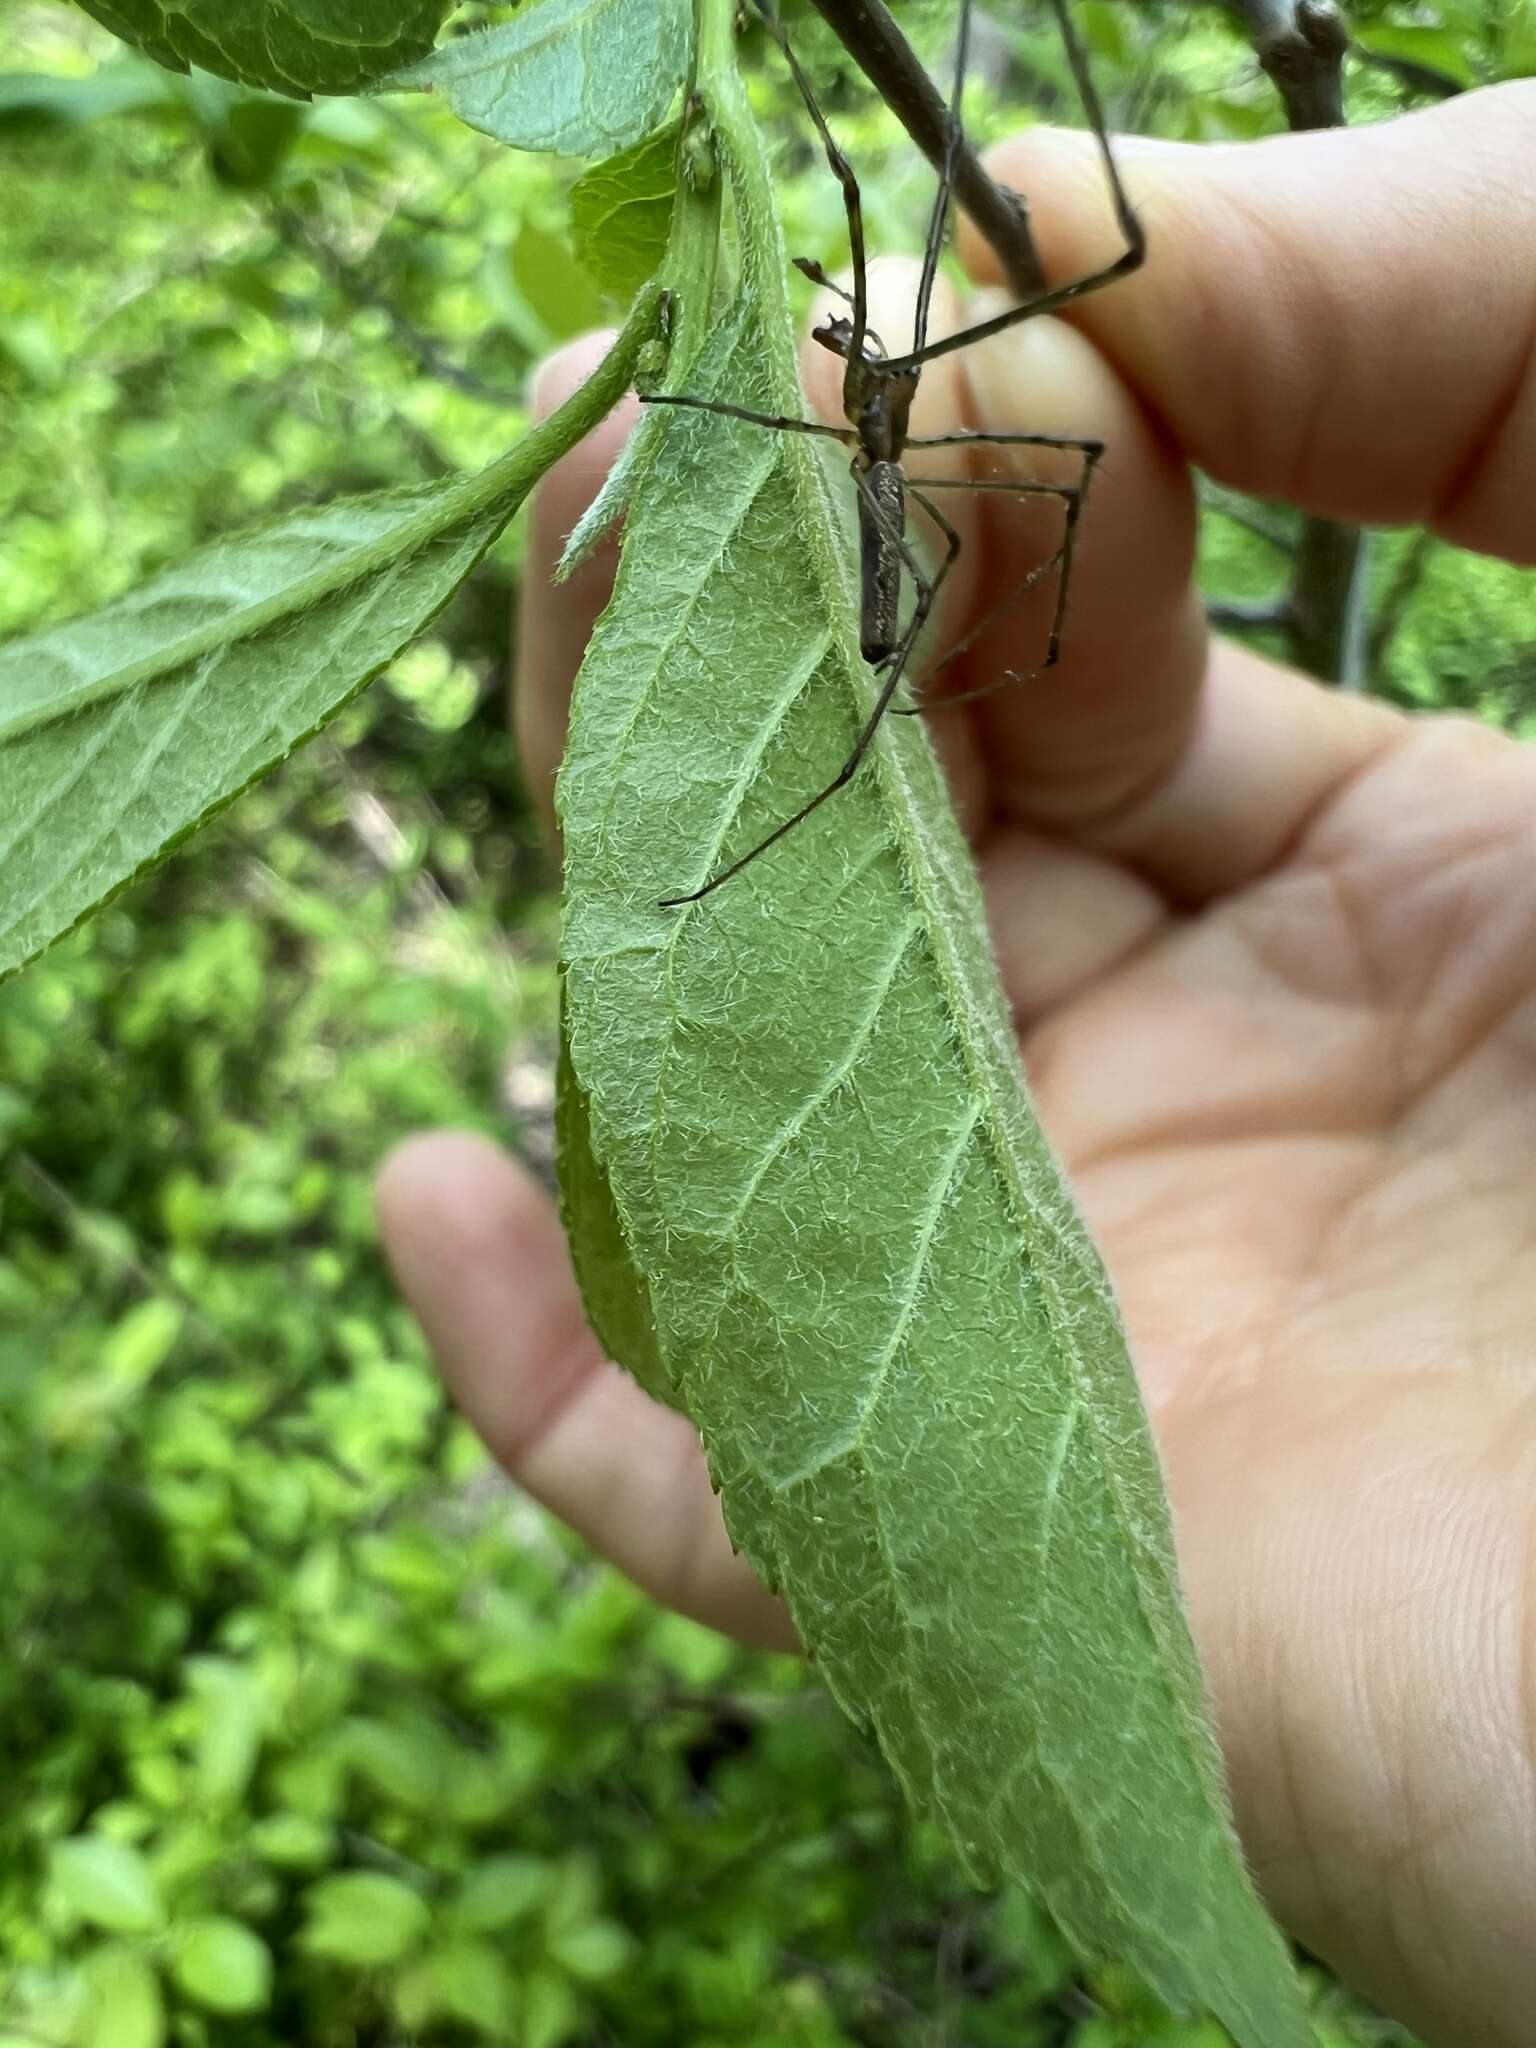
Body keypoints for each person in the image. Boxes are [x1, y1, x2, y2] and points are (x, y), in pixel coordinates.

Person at [377, 79, 1536, 2048]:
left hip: (904, 541)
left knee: (983, 367)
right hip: (887, 507)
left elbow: (1063, 375)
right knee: (901, 386)